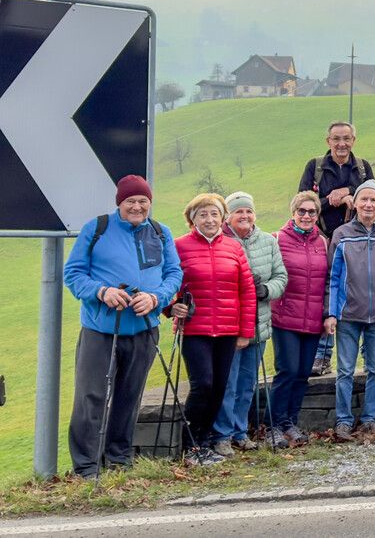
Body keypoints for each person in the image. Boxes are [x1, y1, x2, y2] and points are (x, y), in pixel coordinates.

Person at [63, 175, 182, 479]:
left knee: (130, 397)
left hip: (143, 328)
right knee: (91, 396)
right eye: (131, 201)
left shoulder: (160, 232)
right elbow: (74, 273)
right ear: (120, 203)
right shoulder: (97, 228)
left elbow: (173, 274)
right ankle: (87, 467)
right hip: (101, 329)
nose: (137, 206)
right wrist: (101, 292)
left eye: (143, 201)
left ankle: (118, 459)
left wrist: (157, 298)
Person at [170, 193, 257, 466]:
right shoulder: (178, 246)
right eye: (203, 215)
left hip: (228, 330)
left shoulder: (233, 247)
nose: (209, 219)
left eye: (214, 214)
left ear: (222, 217)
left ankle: (206, 442)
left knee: (219, 387)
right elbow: (169, 283)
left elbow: (247, 290)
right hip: (195, 329)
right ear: (192, 219)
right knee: (203, 385)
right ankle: (191, 445)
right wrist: (171, 306)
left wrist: (245, 331)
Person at [326, 180, 375, 442]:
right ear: (356, 203)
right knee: (345, 370)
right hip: (349, 314)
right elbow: (333, 276)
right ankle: (343, 420)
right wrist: (332, 311)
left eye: (374, 200)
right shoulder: (341, 234)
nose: (369, 204)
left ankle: (370, 419)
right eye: (364, 200)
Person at [212, 192, 288, 455]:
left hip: (259, 323)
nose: (244, 216)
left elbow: (281, 276)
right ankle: (222, 434)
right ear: (228, 216)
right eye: (238, 212)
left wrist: (265, 290)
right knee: (228, 383)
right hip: (229, 326)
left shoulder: (268, 241)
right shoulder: (219, 242)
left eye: (248, 211)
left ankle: (240, 431)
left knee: (247, 383)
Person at [299, 121, 375, 377]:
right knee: (326, 294)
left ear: (354, 139)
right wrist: (332, 199)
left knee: (363, 292)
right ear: (327, 141)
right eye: (336, 139)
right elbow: (302, 203)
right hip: (322, 239)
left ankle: (370, 357)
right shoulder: (315, 167)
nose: (341, 144)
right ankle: (322, 357)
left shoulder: (363, 168)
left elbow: (372, 196)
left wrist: (350, 191)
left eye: (346, 138)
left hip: (357, 240)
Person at [268, 191, 329, 447]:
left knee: (303, 373)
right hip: (285, 317)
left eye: (311, 212)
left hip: (313, 318)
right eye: (302, 211)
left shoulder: (323, 242)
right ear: (293, 213)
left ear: (317, 215)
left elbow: (327, 282)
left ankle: (290, 422)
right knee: (288, 370)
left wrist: (328, 314)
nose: (306, 216)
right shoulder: (277, 239)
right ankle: (273, 425)